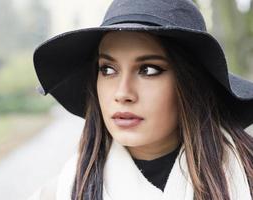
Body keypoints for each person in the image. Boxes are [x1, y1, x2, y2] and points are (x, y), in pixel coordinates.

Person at [29, 0, 253, 199]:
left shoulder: (246, 177)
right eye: (107, 69)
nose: (122, 93)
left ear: (189, 84)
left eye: (148, 70)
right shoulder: (60, 193)